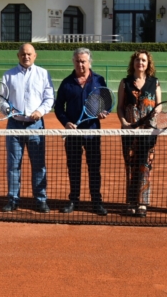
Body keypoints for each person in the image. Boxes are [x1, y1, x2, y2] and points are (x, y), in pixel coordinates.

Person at [55, 47, 109, 216]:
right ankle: (74, 200)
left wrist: (103, 112)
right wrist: (66, 122)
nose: (80, 64)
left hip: (92, 132)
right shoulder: (66, 82)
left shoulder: (99, 80)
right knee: (74, 167)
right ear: (74, 61)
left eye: (83, 61)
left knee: (94, 168)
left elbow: (106, 102)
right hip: (73, 133)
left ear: (89, 62)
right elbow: (58, 108)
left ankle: (96, 202)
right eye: (77, 61)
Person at [1, 43, 54, 213]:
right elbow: (2, 100)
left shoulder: (44, 74)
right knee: (13, 165)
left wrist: (41, 110)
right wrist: (10, 111)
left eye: (29, 54)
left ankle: (40, 200)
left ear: (35, 55)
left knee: (38, 165)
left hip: (36, 126)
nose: (26, 57)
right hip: (14, 125)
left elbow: (49, 98)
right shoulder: (8, 75)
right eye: (23, 54)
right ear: (18, 56)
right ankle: (13, 199)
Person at [117, 50, 161, 217]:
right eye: (137, 60)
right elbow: (120, 107)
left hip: (149, 133)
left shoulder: (154, 83)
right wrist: (125, 123)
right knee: (131, 168)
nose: (140, 63)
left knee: (145, 167)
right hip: (129, 133)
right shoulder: (125, 82)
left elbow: (159, 105)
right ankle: (130, 202)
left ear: (148, 63)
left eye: (143, 60)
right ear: (133, 63)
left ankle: (142, 203)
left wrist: (155, 113)